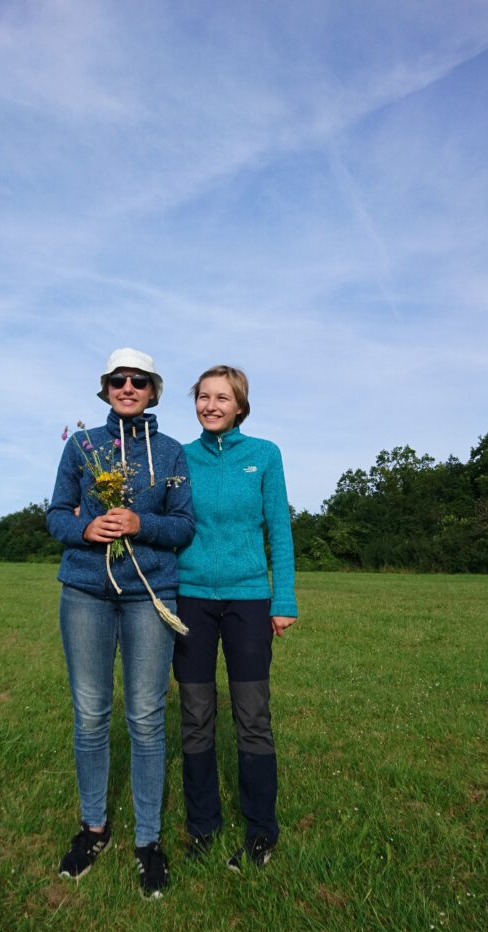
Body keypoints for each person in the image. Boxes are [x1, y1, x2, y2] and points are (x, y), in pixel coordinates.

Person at [47, 348, 195, 898]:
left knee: (146, 718)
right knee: (90, 714)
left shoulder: (173, 453)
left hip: (149, 594)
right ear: (106, 389)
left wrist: (141, 522)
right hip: (86, 591)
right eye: (117, 380)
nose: (127, 387)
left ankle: (148, 843)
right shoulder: (81, 446)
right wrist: (84, 531)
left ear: (153, 391)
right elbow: (56, 513)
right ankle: (93, 829)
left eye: (138, 381)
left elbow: (182, 526)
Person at [172, 365, 297, 870]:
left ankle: (261, 830)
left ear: (240, 405)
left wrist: (282, 599)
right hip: (190, 599)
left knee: (252, 717)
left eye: (222, 397)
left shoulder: (265, 455)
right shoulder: (179, 458)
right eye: (203, 397)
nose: (211, 405)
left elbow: (280, 532)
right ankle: (203, 825)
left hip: (248, 600)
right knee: (196, 716)